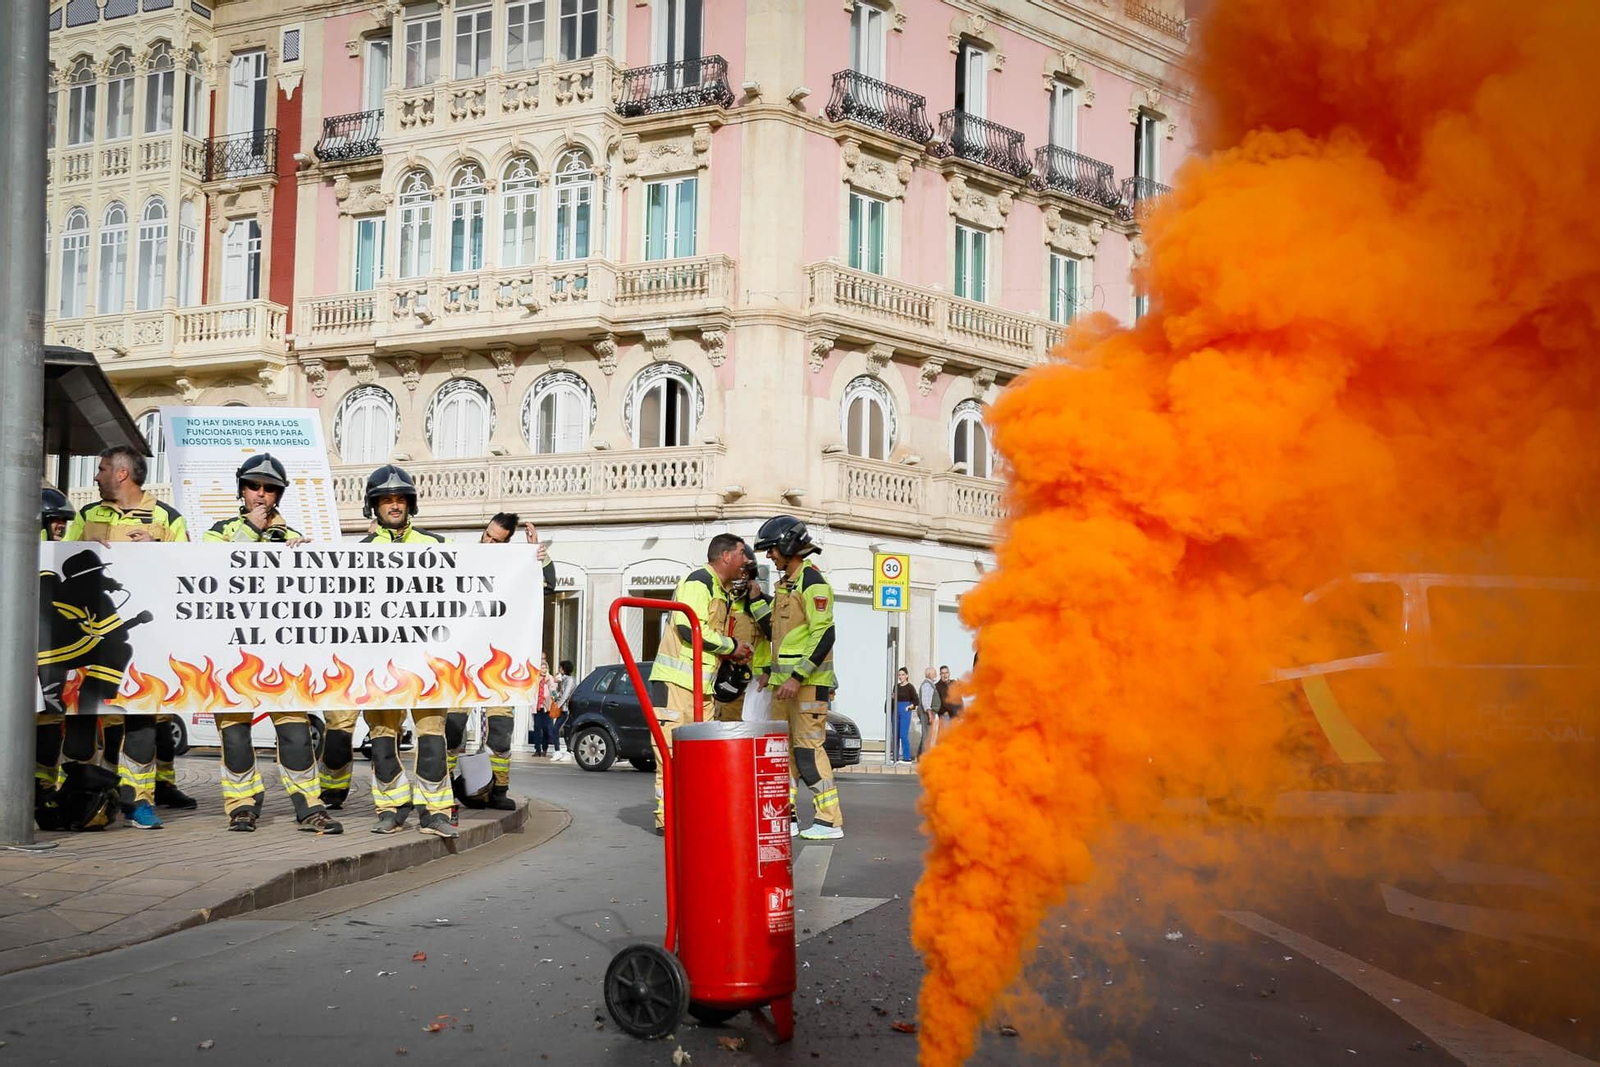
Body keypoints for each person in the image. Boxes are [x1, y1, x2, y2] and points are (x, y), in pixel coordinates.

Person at [202, 453, 341, 834]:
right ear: (242, 490)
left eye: (269, 489)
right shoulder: (218, 531)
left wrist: (307, 560)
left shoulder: (293, 535)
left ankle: (310, 807)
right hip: (231, 652)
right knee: (234, 735)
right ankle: (242, 806)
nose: (261, 494)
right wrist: (251, 529)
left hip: (282, 655)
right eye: (253, 486)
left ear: (279, 495)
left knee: (296, 734)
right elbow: (209, 570)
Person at [62, 445, 195, 829]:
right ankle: (82, 801)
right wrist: (81, 551)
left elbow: (190, 572)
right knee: (82, 725)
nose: (96, 476)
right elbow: (61, 562)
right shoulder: (87, 515)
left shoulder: (167, 517)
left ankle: (139, 803)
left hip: (144, 643)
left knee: (140, 723)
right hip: (89, 641)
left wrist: (157, 550)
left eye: (102, 468)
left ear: (122, 473)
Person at [354, 464, 457, 838]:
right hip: (379, 662)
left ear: (410, 504)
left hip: (427, 660)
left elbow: (477, 581)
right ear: (374, 506)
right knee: (382, 733)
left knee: (431, 733)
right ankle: (391, 808)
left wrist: (533, 560)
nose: (394, 505)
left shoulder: (436, 545)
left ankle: (435, 811)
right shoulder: (358, 553)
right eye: (386, 500)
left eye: (400, 499)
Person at [446, 513, 554, 809]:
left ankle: (498, 791)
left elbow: (547, 587)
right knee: (452, 729)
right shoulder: (464, 561)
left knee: (501, 731)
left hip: (500, 666)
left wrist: (537, 556)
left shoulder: (513, 567)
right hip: (462, 663)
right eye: (487, 535)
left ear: (507, 544)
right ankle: (443, 789)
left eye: (496, 540)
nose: (488, 542)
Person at [646, 533, 752, 833]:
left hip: (701, 689)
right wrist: (731, 646)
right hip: (675, 685)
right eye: (742, 553)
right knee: (669, 754)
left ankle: (694, 814)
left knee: (701, 756)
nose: (745, 560)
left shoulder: (721, 591)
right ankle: (667, 819)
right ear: (726, 556)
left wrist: (731, 654)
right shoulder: (699, 582)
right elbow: (688, 628)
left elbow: (708, 639)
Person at [754, 515, 843, 841]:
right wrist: (770, 672)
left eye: (772, 550)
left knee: (807, 751)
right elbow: (778, 635)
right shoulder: (786, 586)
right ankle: (786, 815)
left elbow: (825, 634)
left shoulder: (812, 582)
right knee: (783, 753)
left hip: (806, 685)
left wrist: (797, 677)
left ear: (788, 546)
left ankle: (829, 820)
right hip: (784, 687)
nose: (769, 556)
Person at [35, 487, 78, 820]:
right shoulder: (17, 555)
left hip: (52, 654)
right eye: (54, 520)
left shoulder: (63, 557)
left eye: (64, 520)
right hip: (25, 652)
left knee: (50, 718)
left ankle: (43, 785)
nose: (61, 526)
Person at [714, 550, 772, 722]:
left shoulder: (766, 602)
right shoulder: (722, 602)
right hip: (728, 680)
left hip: (758, 685)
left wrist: (755, 601)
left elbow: (776, 636)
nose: (740, 577)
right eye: (738, 572)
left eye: (745, 573)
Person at [550, 659, 576, 757]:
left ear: (564, 669)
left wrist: (558, 705)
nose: (559, 670)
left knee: (557, 729)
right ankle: (563, 750)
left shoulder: (570, 680)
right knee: (561, 729)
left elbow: (566, 695)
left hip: (567, 709)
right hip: (563, 709)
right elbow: (560, 693)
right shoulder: (564, 679)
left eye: (560, 668)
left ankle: (562, 751)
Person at [892, 668, 917, 764]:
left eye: (902, 674)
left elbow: (916, 700)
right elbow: (893, 698)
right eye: (899, 675)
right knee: (895, 734)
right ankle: (895, 757)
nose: (901, 677)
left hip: (905, 710)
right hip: (896, 710)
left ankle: (907, 757)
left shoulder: (910, 687)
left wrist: (909, 707)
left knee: (903, 734)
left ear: (907, 675)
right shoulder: (896, 686)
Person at [919, 667, 942, 754]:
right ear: (929, 674)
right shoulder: (927, 685)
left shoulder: (930, 684)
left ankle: (923, 755)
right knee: (927, 735)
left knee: (929, 735)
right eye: (934, 673)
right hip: (928, 713)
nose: (936, 674)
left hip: (931, 712)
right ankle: (925, 755)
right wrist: (930, 715)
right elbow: (925, 701)